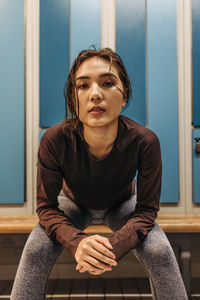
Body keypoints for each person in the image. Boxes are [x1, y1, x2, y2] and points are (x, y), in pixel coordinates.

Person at [11, 48, 188, 300]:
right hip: (73, 203)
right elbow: (47, 209)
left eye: (107, 83)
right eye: (83, 86)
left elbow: (146, 212)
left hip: (122, 203)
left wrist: (112, 247)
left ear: (124, 95)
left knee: (159, 250)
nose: (95, 94)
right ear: (74, 98)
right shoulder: (54, 140)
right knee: (36, 249)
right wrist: (78, 242)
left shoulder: (145, 141)